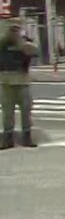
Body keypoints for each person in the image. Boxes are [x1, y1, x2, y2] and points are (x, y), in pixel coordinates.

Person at [1, 21, 39, 150]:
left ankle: (27, 137)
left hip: (22, 81)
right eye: (11, 29)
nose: (13, 32)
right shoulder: (2, 43)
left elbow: (34, 51)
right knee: (7, 112)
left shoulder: (25, 43)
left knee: (26, 111)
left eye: (16, 29)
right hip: (6, 81)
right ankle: (7, 139)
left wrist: (21, 43)